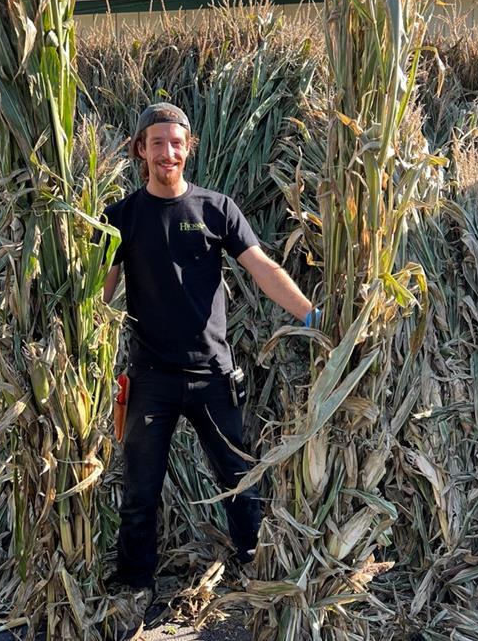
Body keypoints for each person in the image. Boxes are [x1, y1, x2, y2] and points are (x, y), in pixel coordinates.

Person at [102, 102, 315, 607]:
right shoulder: (122, 217)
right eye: (157, 143)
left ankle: (253, 563)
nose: (167, 152)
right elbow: (100, 295)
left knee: (239, 478)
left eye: (176, 143)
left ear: (188, 148)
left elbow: (261, 268)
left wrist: (312, 315)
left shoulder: (216, 209)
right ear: (140, 151)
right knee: (140, 489)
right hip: (149, 376)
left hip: (213, 373)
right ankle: (136, 584)